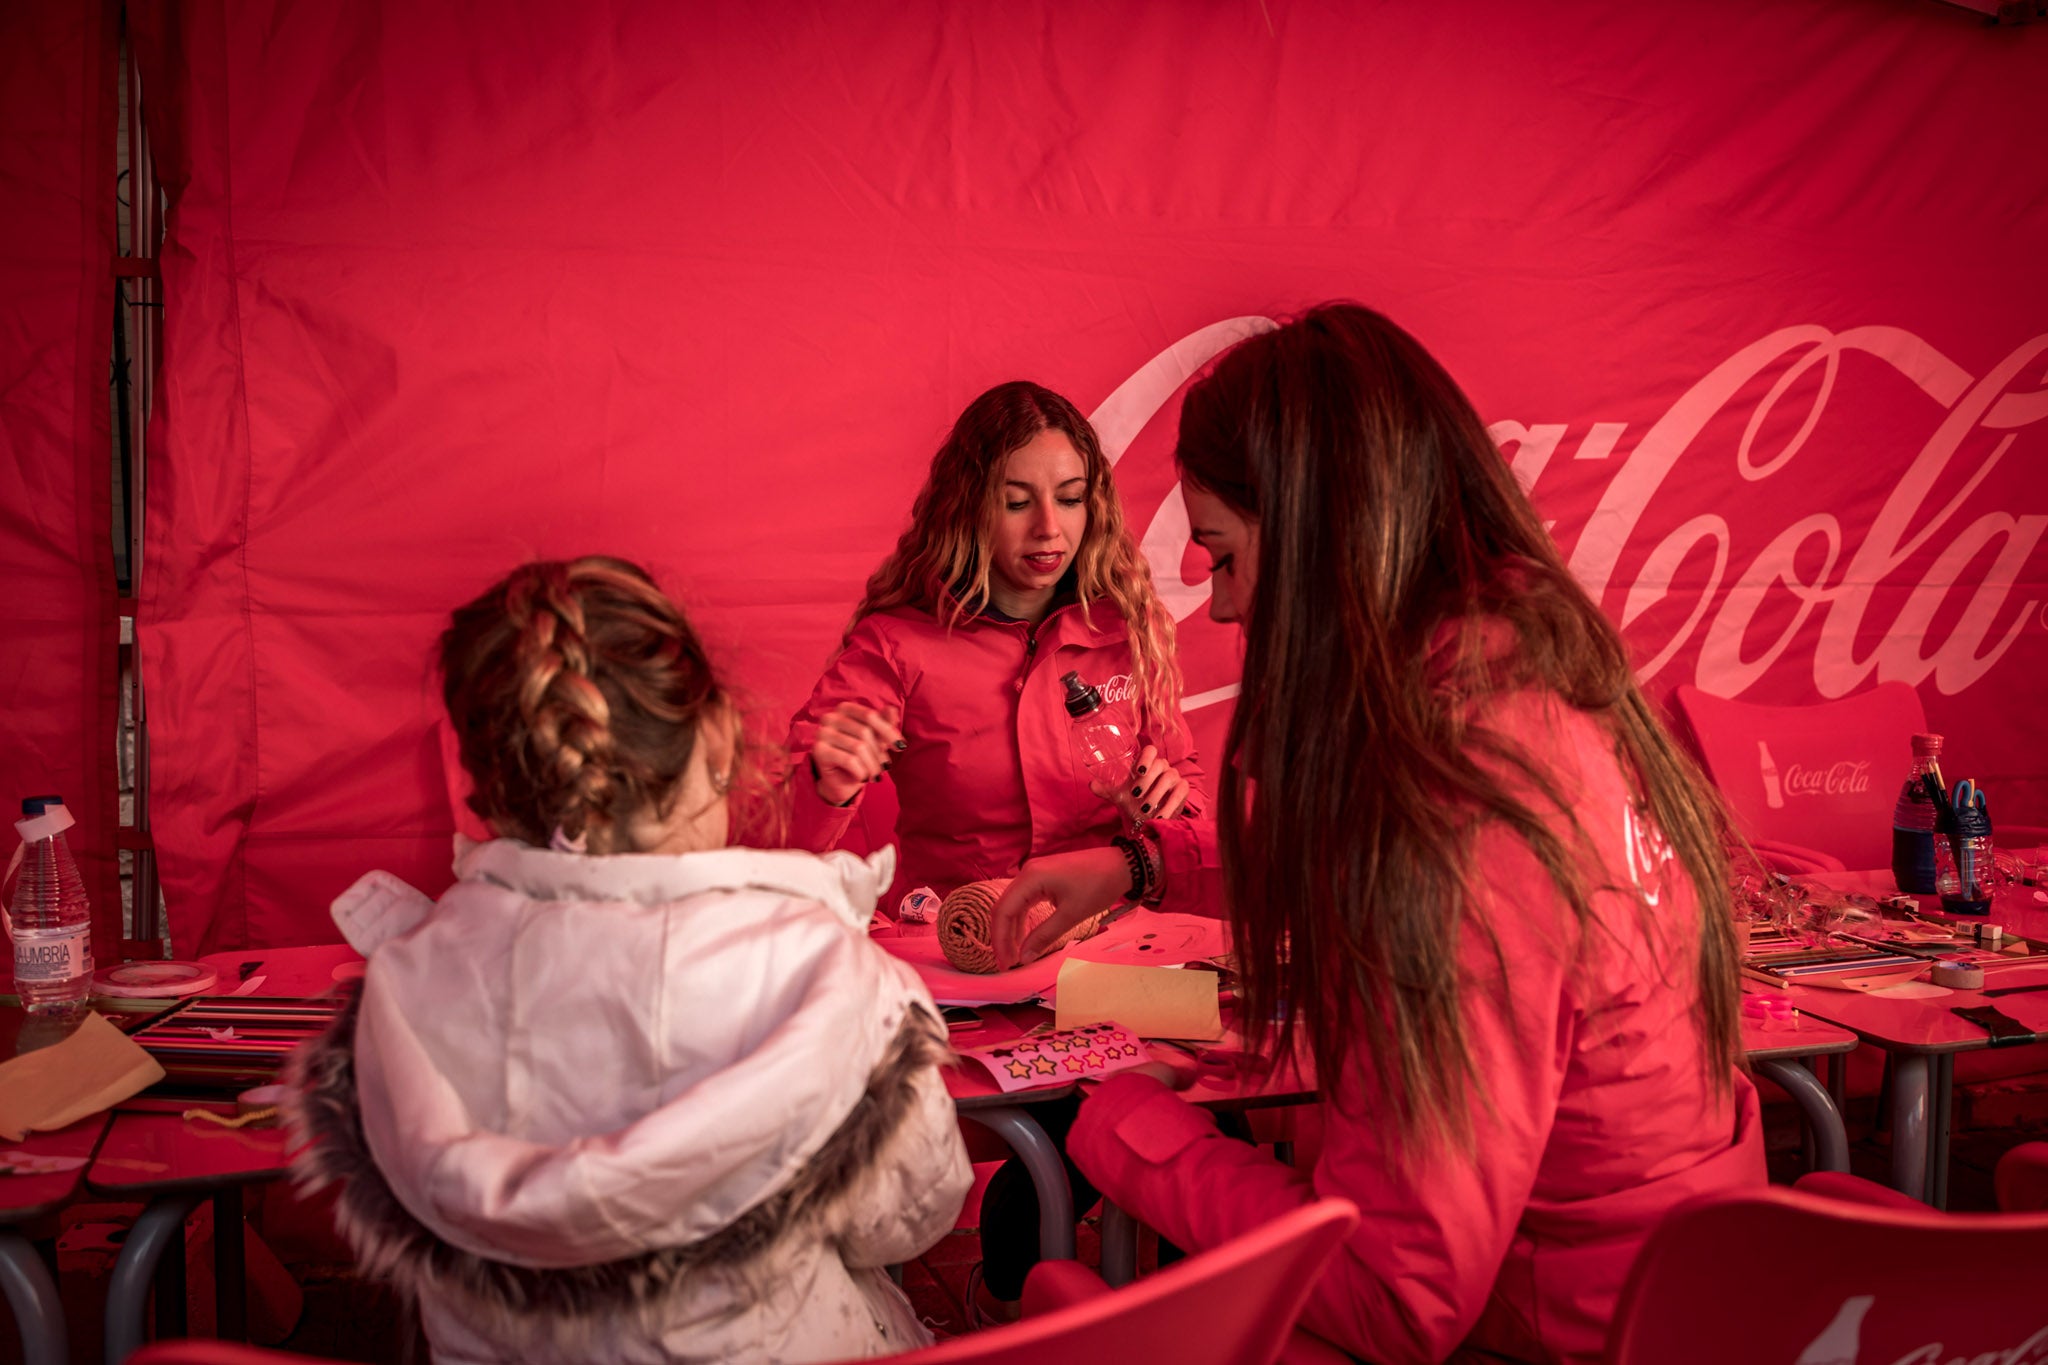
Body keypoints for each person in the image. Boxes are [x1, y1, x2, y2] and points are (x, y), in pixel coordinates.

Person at [991, 305, 1764, 1364]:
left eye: (1222, 558)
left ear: (1320, 546)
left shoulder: (1454, 801)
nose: (1218, 610)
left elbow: (1394, 1302)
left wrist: (1126, 1129)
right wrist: (1133, 864)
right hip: (1674, 1300)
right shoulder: (1528, 680)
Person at [288, 556, 971, 1365]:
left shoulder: (403, 983)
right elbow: (914, 1213)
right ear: (717, 736)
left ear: (480, 785)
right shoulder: (828, 974)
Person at [785, 379, 1209, 915]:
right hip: (956, 949)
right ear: (968, 507)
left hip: (1110, 943)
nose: (1049, 527)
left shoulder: (1127, 626)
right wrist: (827, 783)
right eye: (1016, 503)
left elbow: (1186, 796)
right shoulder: (896, 646)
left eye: (1071, 498)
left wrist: (1173, 807)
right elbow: (776, 847)